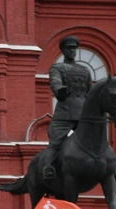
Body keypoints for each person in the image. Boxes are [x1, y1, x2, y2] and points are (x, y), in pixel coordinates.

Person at [42, 35, 93, 181]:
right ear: (63, 50)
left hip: (83, 113)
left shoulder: (85, 70)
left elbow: (90, 91)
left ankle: (112, 168)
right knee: (56, 141)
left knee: (97, 139)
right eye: (69, 48)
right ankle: (48, 167)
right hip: (65, 113)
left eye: (74, 48)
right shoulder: (57, 68)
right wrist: (60, 90)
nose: (72, 51)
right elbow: (55, 82)